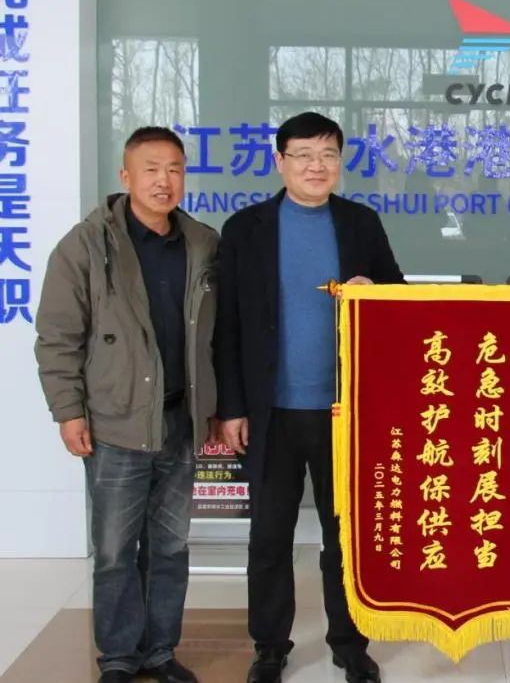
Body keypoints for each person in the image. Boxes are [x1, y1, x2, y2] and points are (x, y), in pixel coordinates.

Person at [214, 111, 404, 683]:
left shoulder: (360, 224)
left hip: (344, 411)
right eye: (303, 155)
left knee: (345, 534)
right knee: (269, 536)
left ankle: (349, 643)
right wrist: (232, 407)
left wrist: (376, 292)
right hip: (269, 411)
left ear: (340, 162)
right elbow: (227, 324)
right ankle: (270, 645)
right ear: (280, 162)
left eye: (327, 155)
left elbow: (399, 296)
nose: (316, 166)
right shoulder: (245, 228)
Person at [35, 126, 219, 683]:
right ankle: (118, 656)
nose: (164, 181)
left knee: (170, 547)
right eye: (151, 169)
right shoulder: (86, 245)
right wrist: (68, 411)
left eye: (175, 169)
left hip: (179, 420)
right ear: (126, 176)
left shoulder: (203, 243)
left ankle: (160, 651)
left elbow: (219, 335)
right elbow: (58, 336)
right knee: (116, 550)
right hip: (115, 422)